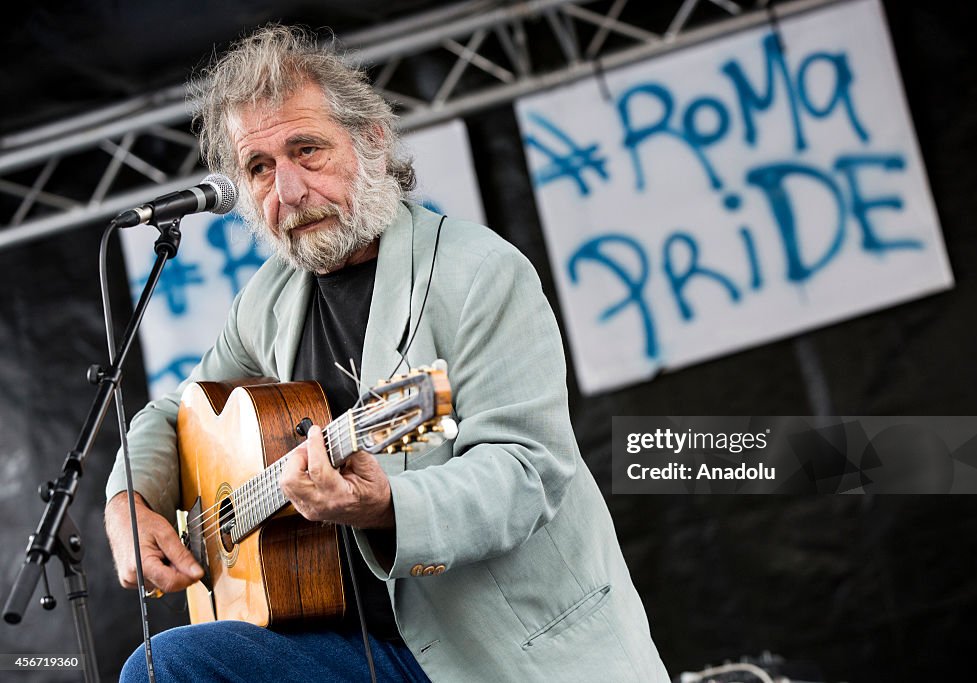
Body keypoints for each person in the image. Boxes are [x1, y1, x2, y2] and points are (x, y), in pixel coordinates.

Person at [104, 24, 669, 683]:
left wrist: (384, 507)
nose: (286, 190)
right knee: (162, 668)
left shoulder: (479, 273)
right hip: (357, 649)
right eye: (259, 168)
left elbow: (525, 472)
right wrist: (130, 498)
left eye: (306, 150)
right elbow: (178, 413)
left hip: (495, 652)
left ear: (371, 139)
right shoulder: (268, 300)